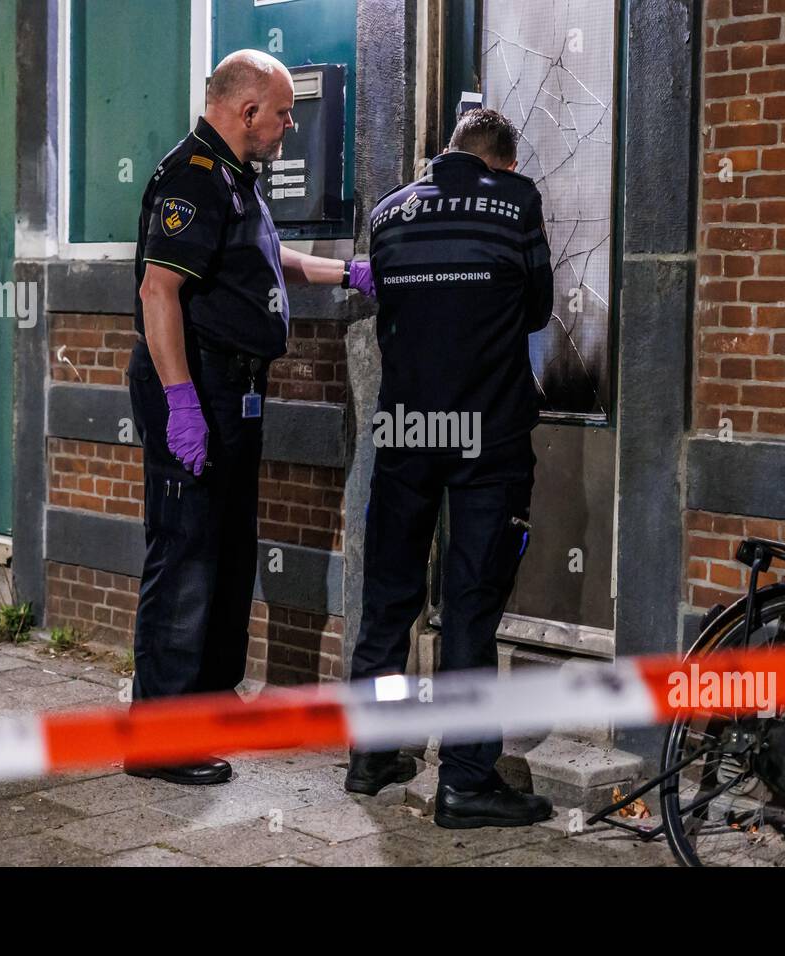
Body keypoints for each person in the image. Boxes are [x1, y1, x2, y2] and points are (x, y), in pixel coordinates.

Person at [124, 50, 374, 786]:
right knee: (187, 554)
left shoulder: (234, 181)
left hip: (235, 394)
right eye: (285, 112)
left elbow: (268, 259)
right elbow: (158, 293)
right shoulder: (192, 179)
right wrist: (180, 404)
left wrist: (344, 272)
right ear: (245, 112)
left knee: (228, 556)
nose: (292, 125)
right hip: (197, 386)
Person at [345, 108, 555, 828]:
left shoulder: (389, 212)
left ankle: (374, 752)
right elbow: (536, 309)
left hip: (408, 429)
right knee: (470, 605)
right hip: (487, 436)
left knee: (391, 595)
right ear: (502, 161)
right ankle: (465, 780)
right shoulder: (517, 201)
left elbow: (390, 305)